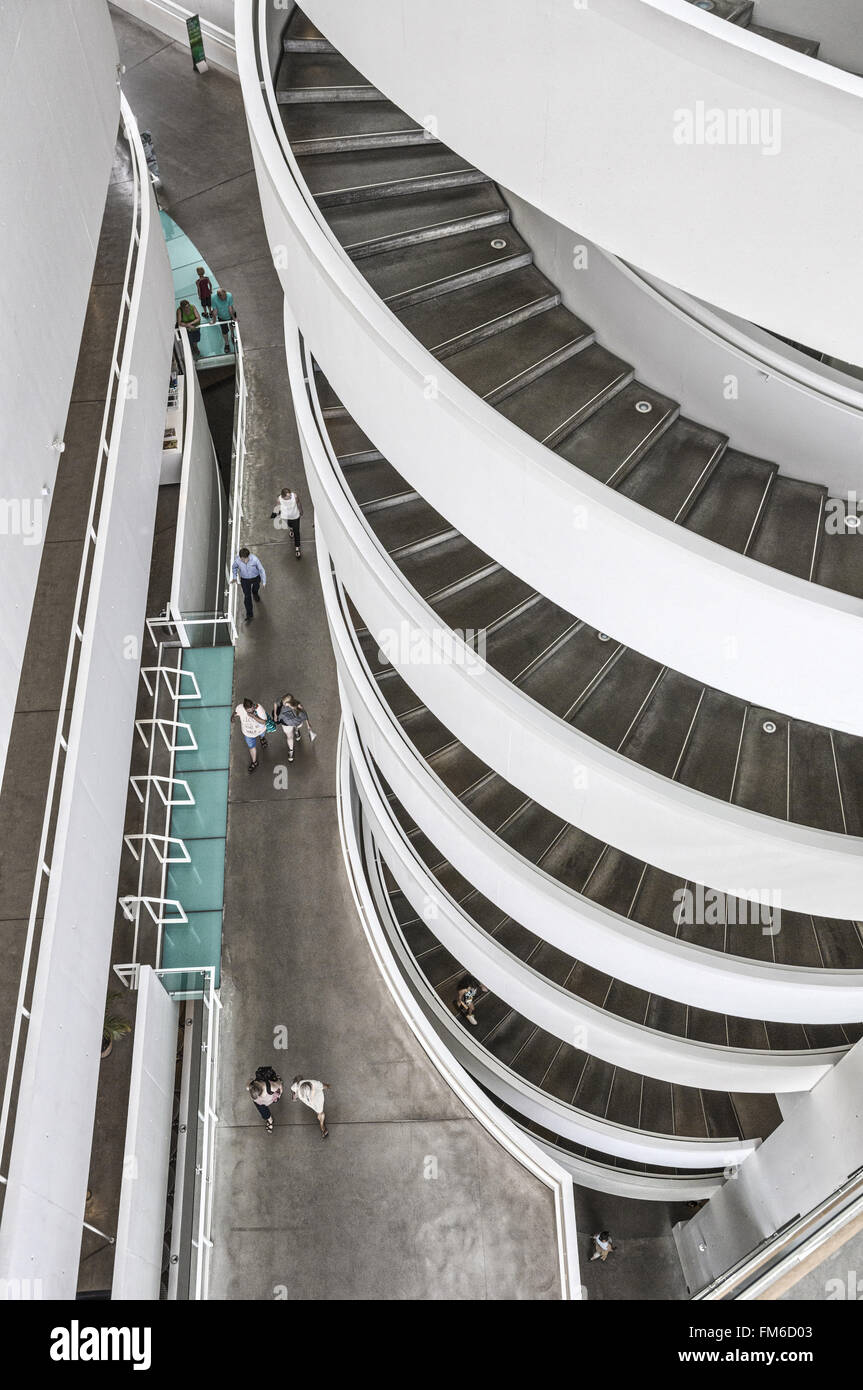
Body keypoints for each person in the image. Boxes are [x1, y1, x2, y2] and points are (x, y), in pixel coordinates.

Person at [273, 693, 315, 762]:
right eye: (282, 702)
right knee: (289, 737)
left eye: (284, 703)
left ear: (289, 703)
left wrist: (308, 725)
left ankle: (296, 730)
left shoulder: (298, 706)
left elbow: (304, 714)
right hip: (287, 724)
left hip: (297, 722)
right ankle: (291, 750)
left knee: (296, 727)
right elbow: (275, 703)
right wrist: (275, 715)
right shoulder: (282, 703)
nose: (283, 704)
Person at [231, 697, 268, 772]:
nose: (250, 712)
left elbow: (264, 722)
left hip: (260, 730)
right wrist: (232, 717)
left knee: (262, 735)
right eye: (248, 711)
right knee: (251, 747)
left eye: (251, 710)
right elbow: (235, 713)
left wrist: (253, 716)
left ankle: (262, 738)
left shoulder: (259, 708)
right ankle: (254, 762)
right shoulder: (239, 708)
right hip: (248, 734)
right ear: (244, 708)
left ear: (253, 706)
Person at [231, 547, 266, 622]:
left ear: (248, 556)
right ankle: (249, 614)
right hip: (245, 580)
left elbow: (261, 570)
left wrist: (264, 581)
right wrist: (234, 577)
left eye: (245, 559)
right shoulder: (237, 560)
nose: (244, 561)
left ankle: (255, 593)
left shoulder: (255, 559)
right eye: (242, 559)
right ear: (240, 557)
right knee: (247, 596)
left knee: (256, 587)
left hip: (255, 577)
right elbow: (234, 568)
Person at [247, 1066, 283, 1134]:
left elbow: (280, 1086)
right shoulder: (249, 1086)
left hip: (268, 1100)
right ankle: (270, 1120)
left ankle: (270, 1121)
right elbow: (249, 1082)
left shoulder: (271, 1087)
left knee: (263, 1110)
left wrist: (279, 1094)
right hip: (261, 1103)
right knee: (264, 1113)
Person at [271, 486, 304, 559]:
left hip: (295, 516)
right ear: (283, 497)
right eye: (288, 496)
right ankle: (291, 529)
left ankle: (297, 548)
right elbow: (278, 507)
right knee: (290, 525)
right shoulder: (279, 499)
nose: (290, 497)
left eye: (290, 495)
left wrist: (301, 511)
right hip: (286, 516)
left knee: (297, 532)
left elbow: (298, 503)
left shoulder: (294, 496)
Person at [213, 285, 236, 354]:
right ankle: (227, 344)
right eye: (223, 297)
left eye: (225, 295)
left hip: (231, 314)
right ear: (219, 296)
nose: (225, 298)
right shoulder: (214, 298)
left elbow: (230, 308)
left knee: (232, 326)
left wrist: (234, 318)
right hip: (221, 317)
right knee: (224, 331)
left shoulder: (229, 295)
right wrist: (214, 320)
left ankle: (232, 335)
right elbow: (215, 310)